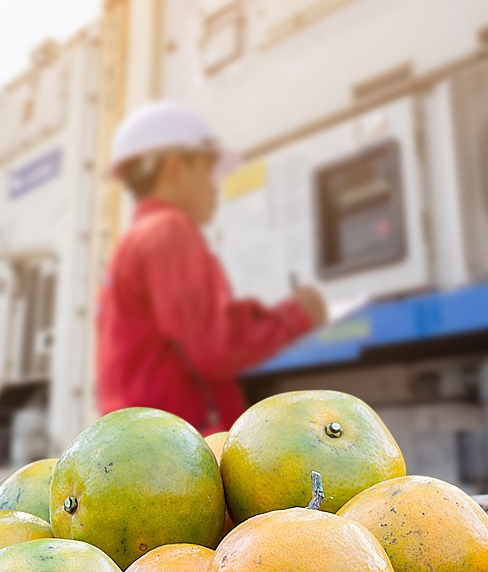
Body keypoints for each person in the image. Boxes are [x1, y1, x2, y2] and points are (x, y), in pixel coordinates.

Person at [96, 102, 326, 433]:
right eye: (207, 172)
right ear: (174, 169)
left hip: (143, 443)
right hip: (182, 449)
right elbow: (214, 347)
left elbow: (190, 330)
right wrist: (298, 315)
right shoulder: (168, 231)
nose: (214, 187)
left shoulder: (132, 241)